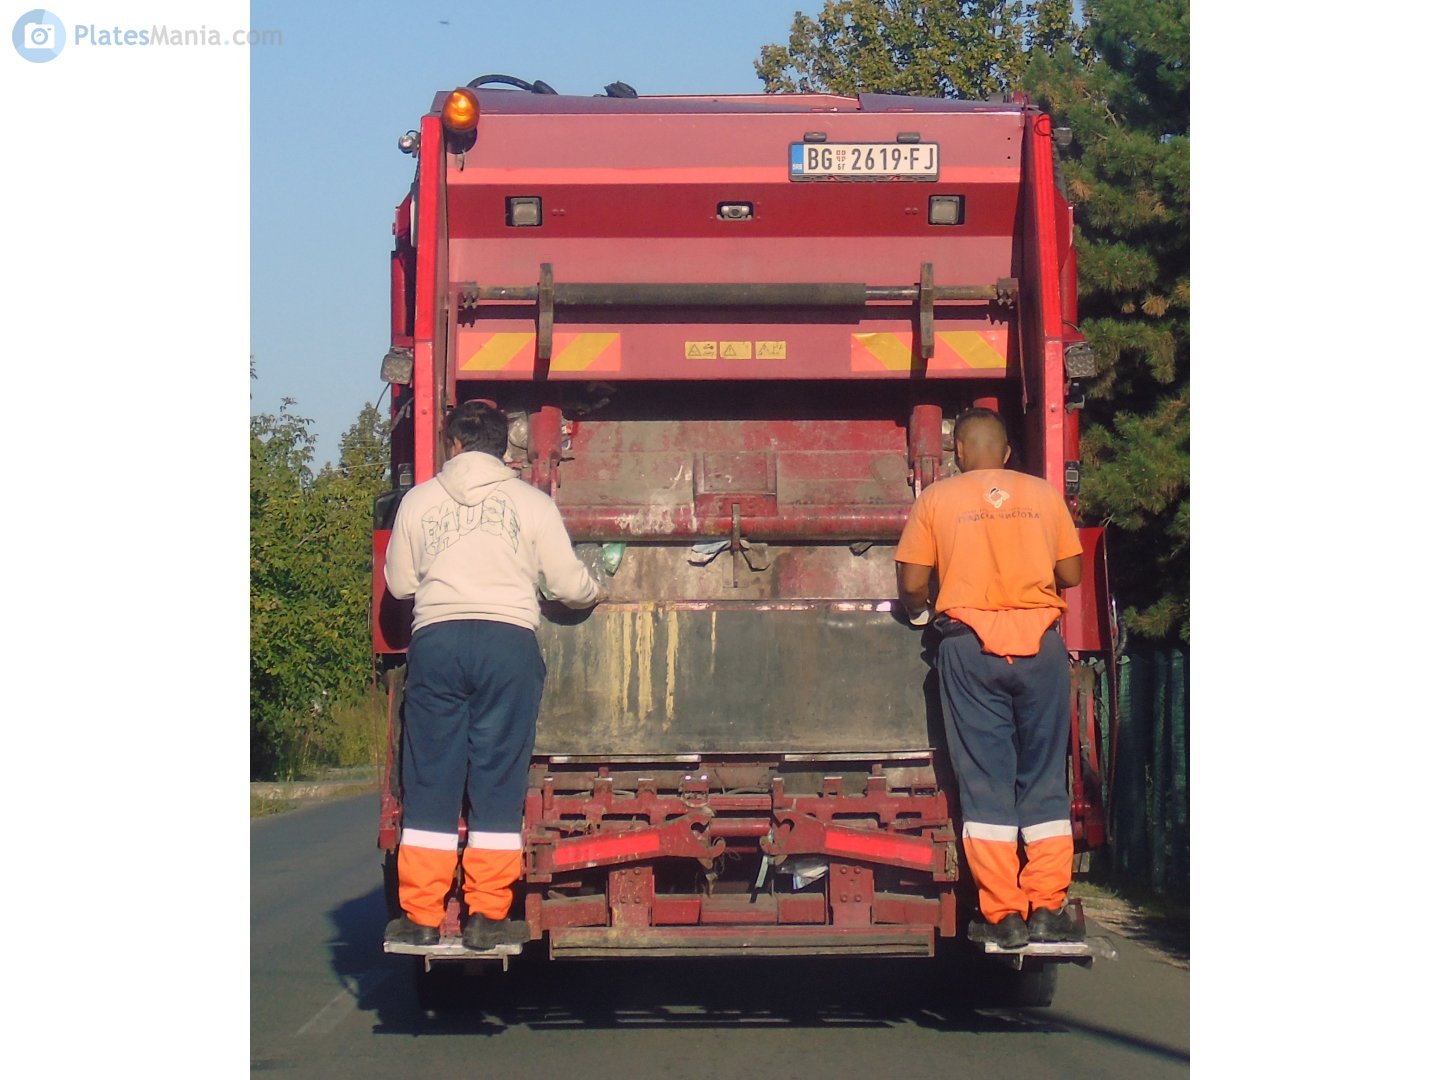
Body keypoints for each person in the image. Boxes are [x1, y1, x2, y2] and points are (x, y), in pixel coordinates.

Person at [382, 399, 600, 951]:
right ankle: (487, 916)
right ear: (506, 449)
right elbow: (569, 585)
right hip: (509, 645)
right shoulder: (531, 503)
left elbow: (403, 585)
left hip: (438, 642)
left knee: (431, 776)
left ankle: (423, 915)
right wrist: (592, 591)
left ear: (452, 445)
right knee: (497, 777)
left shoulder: (418, 501)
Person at [894, 408, 1084, 949]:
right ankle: (1048, 905)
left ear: (957, 453)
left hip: (969, 650)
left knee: (985, 782)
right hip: (1040, 648)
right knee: (1043, 776)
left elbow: (912, 582)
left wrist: (918, 610)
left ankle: (1004, 916)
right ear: (1005, 454)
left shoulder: (937, 499)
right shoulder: (1043, 494)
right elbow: (1070, 573)